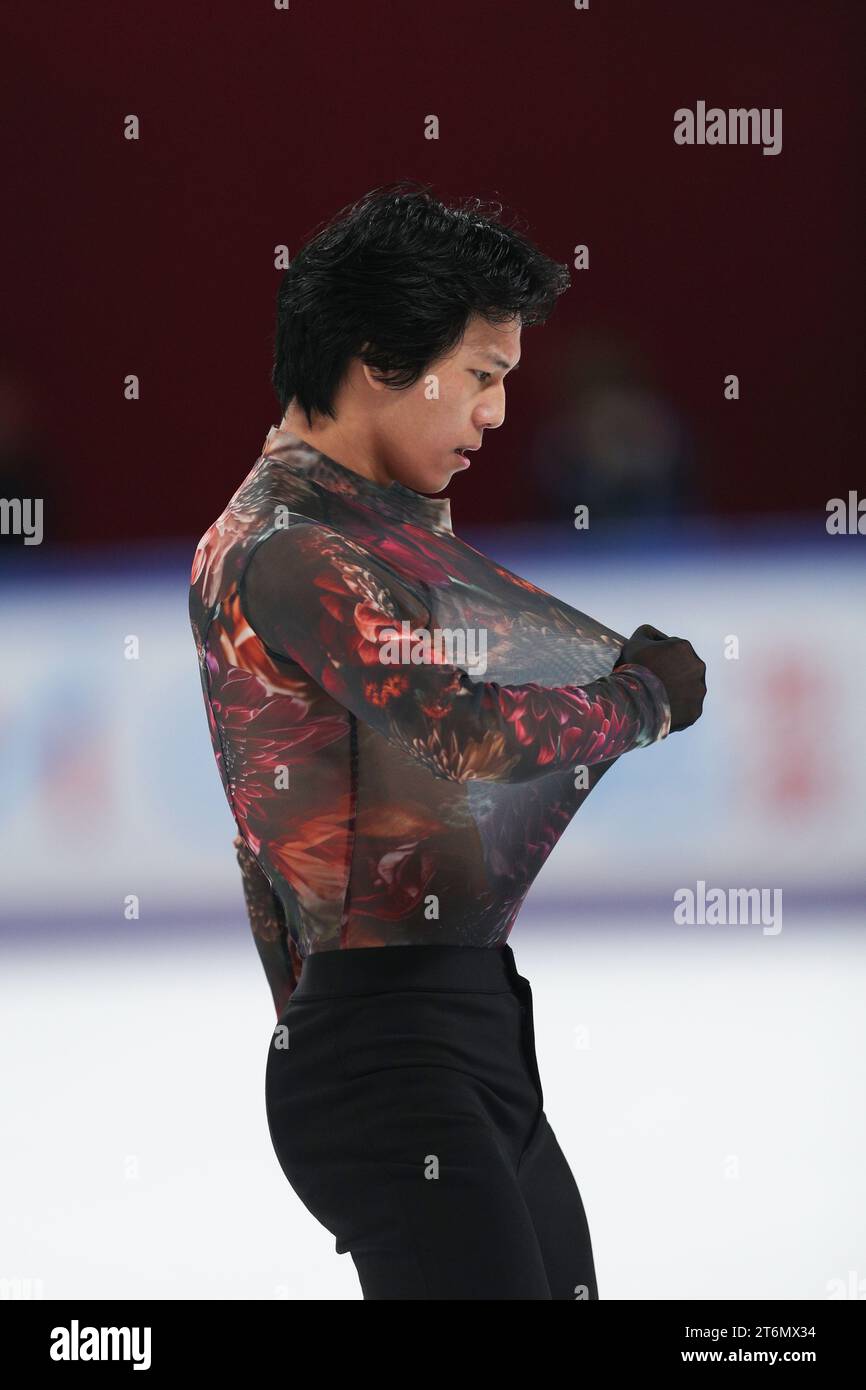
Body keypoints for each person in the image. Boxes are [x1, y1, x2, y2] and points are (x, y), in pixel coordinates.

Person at [188, 181, 707, 1299]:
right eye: (480, 377)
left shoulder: (365, 528)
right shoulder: (293, 552)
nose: (496, 416)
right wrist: (643, 701)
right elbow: (467, 730)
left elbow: (267, 852)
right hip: (389, 1061)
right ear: (380, 355)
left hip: (460, 1033)